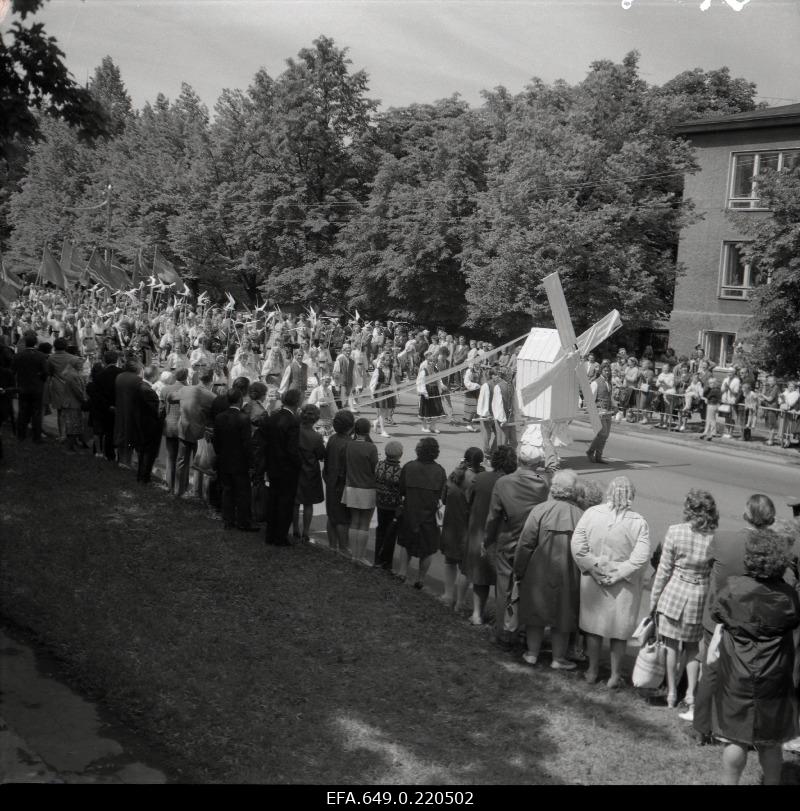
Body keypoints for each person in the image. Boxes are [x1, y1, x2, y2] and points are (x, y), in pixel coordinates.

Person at [710, 530, 800, 785]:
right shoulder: (788, 597)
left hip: (737, 674)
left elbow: (716, 613)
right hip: (774, 674)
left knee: (735, 737)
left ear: (750, 558)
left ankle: (729, 782)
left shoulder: (733, 589)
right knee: (771, 741)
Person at [692, 494, 777, 743]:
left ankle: (701, 728)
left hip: (719, 617)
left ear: (745, 515)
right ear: (770, 520)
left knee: (711, 672)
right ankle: (742, 731)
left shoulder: (723, 539)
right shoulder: (774, 547)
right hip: (754, 620)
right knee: (751, 675)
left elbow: (708, 566)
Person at [571, 476, 651, 687]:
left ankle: (592, 670)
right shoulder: (638, 522)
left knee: (593, 628)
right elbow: (641, 557)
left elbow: (577, 545)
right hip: (623, 585)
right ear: (631, 496)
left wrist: (592, 567)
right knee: (619, 632)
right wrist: (618, 573)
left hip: (594, 579)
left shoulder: (591, 514)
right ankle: (615, 675)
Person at [649, 489, 719, 710]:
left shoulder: (675, 532)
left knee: (670, 647)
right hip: (699, 596)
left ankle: (670, 693)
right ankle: (689, 694)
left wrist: (654, 601)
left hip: (674, 593)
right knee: (692, 649)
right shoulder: (714, 538)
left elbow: (663, 570)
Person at [483, 443, 554, 650]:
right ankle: (522, 630)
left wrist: (487, 540)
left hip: (508, 539)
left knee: (504, 588)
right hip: (532, 541)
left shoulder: (504, 482)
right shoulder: (544, 484)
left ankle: (503, 634)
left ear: (520, 460)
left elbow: (493, 515)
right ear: (538, 462)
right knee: (527, 588)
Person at [513, 469, 584, 668]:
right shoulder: (580, 515)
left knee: (536, 611)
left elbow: (525, 543)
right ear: (573, 491)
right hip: (568, 572)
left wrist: (519, 569)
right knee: (564, 613)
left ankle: (532, 653)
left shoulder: (540, 510)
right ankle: (558, 658)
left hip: (539, 568)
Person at [460, 445, 517, 625]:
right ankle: (502, 620)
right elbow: (542, 478)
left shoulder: (481, 478)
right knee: (504, 581)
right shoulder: (515, 482)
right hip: (505, 536)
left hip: (480, 533)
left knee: (480, 577)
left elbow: (468, 501)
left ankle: (477, 614)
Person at [396, 436, 447, 588]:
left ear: (419, 451)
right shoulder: (439, 471)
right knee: (428, 549)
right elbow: (442, 496)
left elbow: (401, 489)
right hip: (429, 514)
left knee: (406, 543)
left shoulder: (409, 467)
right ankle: (421, 579)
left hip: (410, 511)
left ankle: (402, 573)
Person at [439, 448, 484, 609]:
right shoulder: (478, 479)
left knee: (449, 562)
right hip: (468, 527)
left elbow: (443, 499)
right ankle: (460, 601)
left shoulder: (454, 475)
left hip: (451, 525)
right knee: (465, 567)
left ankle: (448, 595)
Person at [259, 388, 302, 546]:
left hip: (273, 465)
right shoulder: (292, 421)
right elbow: (292, 450)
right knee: (285, 503)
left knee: (274, 500)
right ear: (297, 402)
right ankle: (280, 536)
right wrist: (299, 464)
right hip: (287, 469)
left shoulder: (274, 416)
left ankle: (271, 534)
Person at [212, 386, 257, 531]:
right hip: (239, 461)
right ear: (239, 400)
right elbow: (246, 443)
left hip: (224, 459)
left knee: (227, 491)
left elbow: (216, 441)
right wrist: (251, 463)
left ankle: (228, 520)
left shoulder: (220, 417)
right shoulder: (243, 419)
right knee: (243, 493)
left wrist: (220, 454)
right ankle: (243, 522)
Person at [342, 417, 379, 564]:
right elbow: (374, 468)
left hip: (351, 486)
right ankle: (360, 555)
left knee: (354, 521)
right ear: (368, 430)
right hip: (367, 487)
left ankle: (354, 555)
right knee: (364, 523)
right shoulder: (371, 448)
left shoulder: (349, 445)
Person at [175, 369, 216, 498]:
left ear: (199, 379)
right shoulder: (211, 397)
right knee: (199, 463)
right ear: (211, 381)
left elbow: (171, 397)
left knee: (182, 460)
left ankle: (178, 490)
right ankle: (197, 493)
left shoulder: (185, 389)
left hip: (184, 429)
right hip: (199, 433)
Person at [323, 409, 355, 555]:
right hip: (341, 484)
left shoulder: (332, 438)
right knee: (342, 519)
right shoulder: (349, 444)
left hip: (330, 481)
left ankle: (332, 546)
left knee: (332, 516)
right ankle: (343, 548)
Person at [293, 403, 325, 543]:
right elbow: (320, 455)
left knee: (295, 503)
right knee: (308, 504)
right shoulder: (316, 437)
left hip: (295, 470)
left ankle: (295, 529)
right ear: (316, 419)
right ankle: (305, 532)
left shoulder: (294, 431)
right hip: (310, 472)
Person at [11, 334, 49, 443]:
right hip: (37, 387)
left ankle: (21, 435)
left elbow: (13, 371)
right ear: (36, 343)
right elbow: (45, 372)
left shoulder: (18, 355)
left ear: (25, 343)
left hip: (23, 386)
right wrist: (41, 379)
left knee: (22, 411)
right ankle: (36, 437)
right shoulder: (41, 356)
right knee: (36, 412)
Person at [374, 441, 404, 571]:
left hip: (380, 502)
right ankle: (386, 561)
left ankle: (377, 558)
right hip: (393, 505)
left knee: (381, 529)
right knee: (391, 533)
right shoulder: (399, 471)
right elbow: (402, 489)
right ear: (400, 455)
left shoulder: (379, 465)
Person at [133, 365, 164, 484]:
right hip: (149, 427)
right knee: (148, 453)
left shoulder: (140, 386)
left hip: (140, 424)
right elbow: (155, 412)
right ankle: (145, 478)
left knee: (142, 453)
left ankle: (141, 476)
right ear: (154, 376)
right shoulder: (148, 391)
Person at [161, 368, 189, 493]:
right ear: (186, 377)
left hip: (170, 425)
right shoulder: (188, 390)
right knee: (182, 459)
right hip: (183, 426)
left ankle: (169, 484)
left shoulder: (165, 389)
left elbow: (161, 409)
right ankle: (181, 487)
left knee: (170, 457)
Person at [114, 358, 143, 467]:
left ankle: (121, 459)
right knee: (130, 435)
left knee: (121, 433)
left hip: (120, 408)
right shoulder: (137, 380)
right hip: (132, 410)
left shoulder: (119, 377)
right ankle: (127, 462)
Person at [586, 362, 613, 464]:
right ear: (601, 371)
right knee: (602, 433)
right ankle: (590, 451)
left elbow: (610, 397)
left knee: (605, 435)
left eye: (608, 370)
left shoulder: (609, 382)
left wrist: (615, 407)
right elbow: (591, 399)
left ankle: (598, 456)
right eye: (605, 370)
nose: (607, 372)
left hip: (608, 411)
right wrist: (593, 412)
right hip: (600, 411)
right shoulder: (595, 383)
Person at [416, 351, 444, 433]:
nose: (432, 363)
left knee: (436, 409)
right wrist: (424, 392)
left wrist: (441, 387)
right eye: (431, 361)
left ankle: (433, 426)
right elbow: (420, 382)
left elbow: (439, 380)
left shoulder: (436, 370)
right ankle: (424, 427)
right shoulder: (424, 370)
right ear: (428, 361)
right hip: (427, 391)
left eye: (434, 361)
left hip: (435, 391)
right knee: (426, 409)